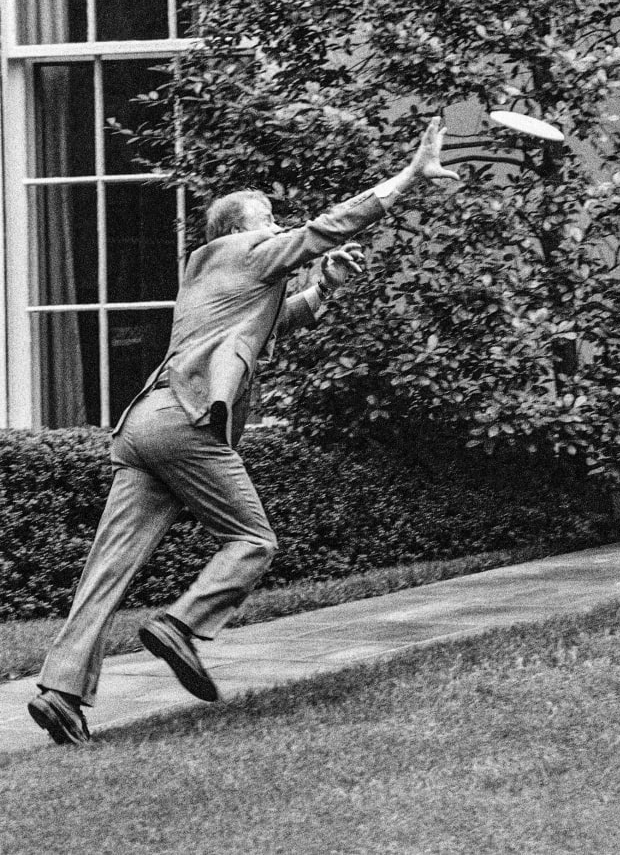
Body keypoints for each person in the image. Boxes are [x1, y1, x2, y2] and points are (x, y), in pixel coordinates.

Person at [28, 116, 459, 745]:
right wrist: (408, 176)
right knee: (252, 539)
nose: (275, 225)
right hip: (186, 423)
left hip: (145, 426)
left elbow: (263, 325)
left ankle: (59, 694)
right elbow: (325, 229)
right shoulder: (246, 250)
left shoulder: (211, 272)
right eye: (267, 218)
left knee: (107, 570)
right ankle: (181, 624)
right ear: (240, 229)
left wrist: (320, 291)